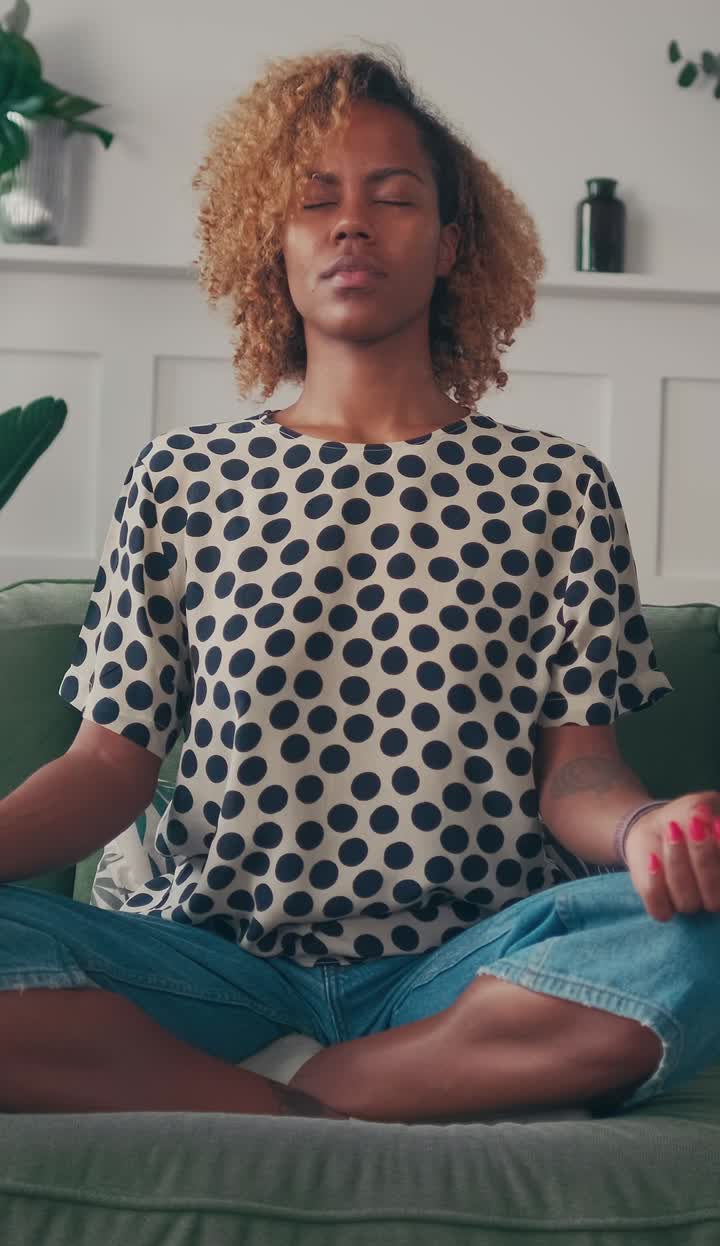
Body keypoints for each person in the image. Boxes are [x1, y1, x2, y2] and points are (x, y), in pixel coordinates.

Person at [2, 42, 720, 1126]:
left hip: (466, 964)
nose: (351, 223)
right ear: (275, 243)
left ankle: (299, 1090)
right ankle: (301, 1101)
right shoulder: (183, 475)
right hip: (207, 962)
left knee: (699, 935)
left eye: (393, 198)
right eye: (315, 201)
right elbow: (108, 768)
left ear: (449, 243)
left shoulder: (557, 485)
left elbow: (578, 776)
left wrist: (648, 833)